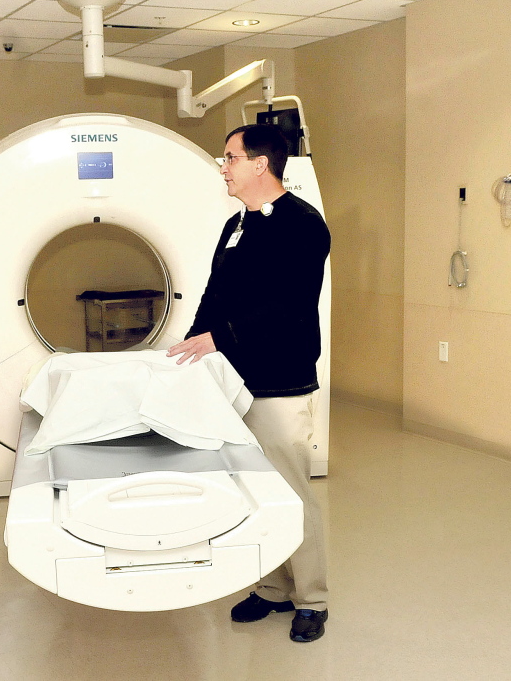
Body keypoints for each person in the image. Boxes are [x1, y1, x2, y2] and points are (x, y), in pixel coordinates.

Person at [167, 123, 330, 642]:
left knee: (290, 489)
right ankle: (272, 587)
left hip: (280, 379)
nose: (224, 166)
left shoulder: (304, 226)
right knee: (252, 489)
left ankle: (312, 597)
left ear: (261, 164)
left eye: (231, 158)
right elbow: (216, 291)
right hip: (234, 376)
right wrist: (194, 342)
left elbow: (289, 304)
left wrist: (222, 337)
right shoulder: (236, 226)